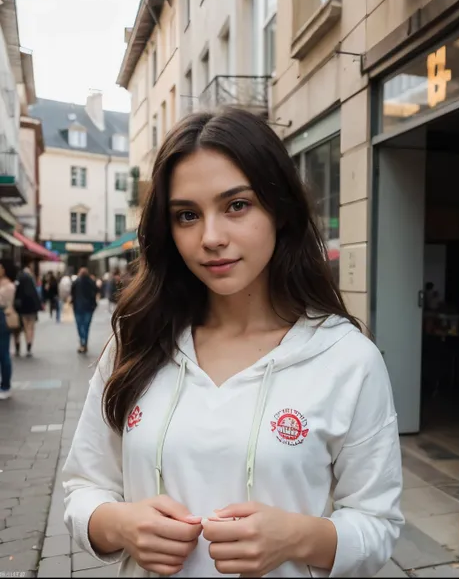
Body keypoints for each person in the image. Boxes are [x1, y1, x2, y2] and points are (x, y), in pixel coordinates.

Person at [62, 109, 404, 578]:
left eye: (236, 205)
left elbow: (378, 523)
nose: (211, 237)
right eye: (187, 215)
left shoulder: (348, 359)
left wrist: (298, 536)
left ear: (279, 209)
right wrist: (118, 524)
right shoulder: (137, 341)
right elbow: (85, 485)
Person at [13, 263, 42, 357]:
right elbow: (37, 295)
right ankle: (29, 345)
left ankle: (19, 346)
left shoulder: (19, 279)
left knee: (23, 326)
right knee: (31, 327)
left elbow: (16, 292)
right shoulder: (31, 280)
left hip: (22, 307)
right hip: (33, 306)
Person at [71, 268, 97, 354]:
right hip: (88, 308)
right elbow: (95, 292)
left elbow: (72, 294)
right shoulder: (91, 282)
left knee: (79, 326)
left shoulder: (76, 282)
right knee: (86, 326)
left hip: (78, 307)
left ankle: (82, 342)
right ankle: (84, 342)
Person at [0, 262, 16, 400]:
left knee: (3, 353)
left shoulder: (9, 285)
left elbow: (8, 303)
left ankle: (6, 385)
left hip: (3, 318)